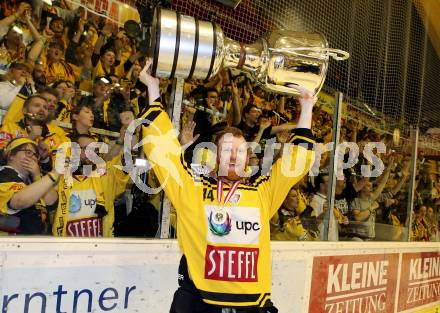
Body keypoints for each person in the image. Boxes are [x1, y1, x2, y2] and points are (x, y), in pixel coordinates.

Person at [138, 59, 315, 312]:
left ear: (247, 158)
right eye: (227, 150)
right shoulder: (193, 189)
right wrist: (153, 88)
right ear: (215, 156)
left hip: (252, 306)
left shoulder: (262, 192)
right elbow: (162, 153)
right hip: (200, 304)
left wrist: (307, 106)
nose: (234, 156)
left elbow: (297, 161)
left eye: (240, 151)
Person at [0, 137, 58, 234]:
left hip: (37, 242)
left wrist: (37, 176)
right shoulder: (3, 175)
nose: (33, 157)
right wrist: (55, 173)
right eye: (28, 152)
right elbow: (18, 201)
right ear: (11, 155)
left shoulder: (35, 179)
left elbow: (51, 201)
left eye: (35, 155)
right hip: (11, 244)